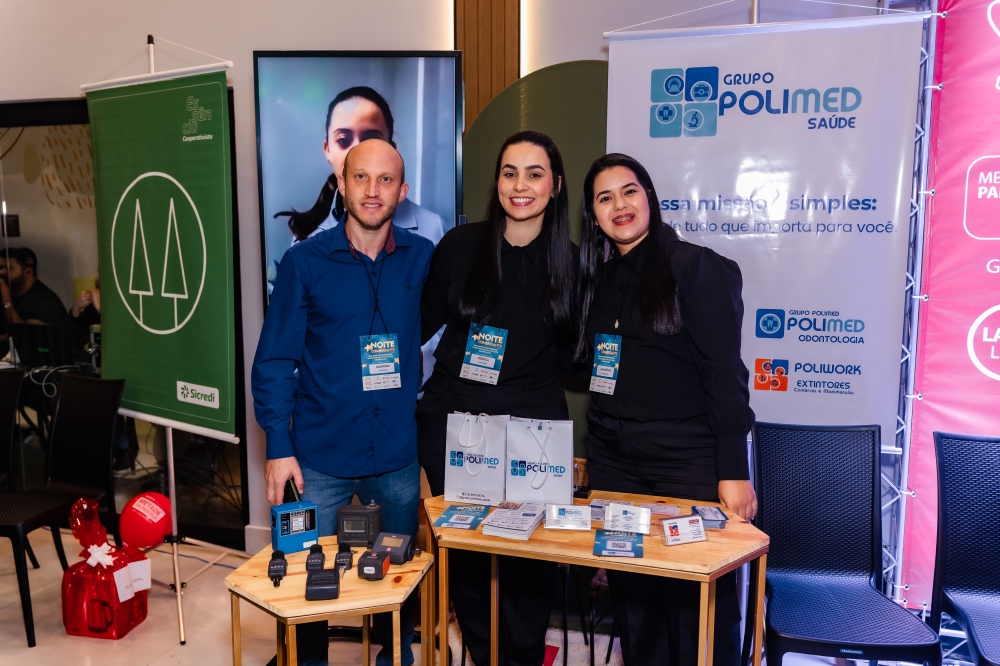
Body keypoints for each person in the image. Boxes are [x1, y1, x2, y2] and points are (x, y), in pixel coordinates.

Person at [252, 139, 434, 666]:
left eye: (385, 179)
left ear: (402, 190)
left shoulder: (423, 258)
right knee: (304, 576)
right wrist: (278, 446)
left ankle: (393, 657)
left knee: (398, 574)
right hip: (317, 458)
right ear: (341, 183)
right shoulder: (303, 263)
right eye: (361, 177)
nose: (373, 190)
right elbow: (274, 361)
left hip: (395, 456)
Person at [575, 153, 757, 666]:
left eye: (629, 191)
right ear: (593, 216)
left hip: (686, 462)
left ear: (650, 197)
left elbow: (724, 374)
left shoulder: (696, 268)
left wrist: (733, 470)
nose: (619, 205)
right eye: (604, 198)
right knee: (635, 605)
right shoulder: (597, 281)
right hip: (615, 462)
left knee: (696, 608)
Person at [417, 131, 578, 665]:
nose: (520, 185)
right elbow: (418, 324)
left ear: (555, 186)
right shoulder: (460, 247)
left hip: (534, 433)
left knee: (532, 562)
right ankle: (485, 656)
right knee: (468, 562)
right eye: (510, 172)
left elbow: (577, 359)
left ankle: (524, 658)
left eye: (534, 173)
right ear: (497, 181)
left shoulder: (573, 263)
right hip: (458, 424)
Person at [277, 86, 446, 245]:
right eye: (343, 140)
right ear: (328, 150)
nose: (357, 153)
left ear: (392, 150)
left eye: (371, 140)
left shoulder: (434, 230)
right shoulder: (305, 240)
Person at [0, 247, 70, 327]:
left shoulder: (44, 304)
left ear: (28, 272)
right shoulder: (14, 290)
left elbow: (21, 332)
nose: (2, 272)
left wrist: (6, 299)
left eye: (9, 268)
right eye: (1, 267)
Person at [70, 276, 101, 350]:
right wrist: (76, 309)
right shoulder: (92, 309)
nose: (96, 278)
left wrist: (100, 311)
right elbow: (76, 344)